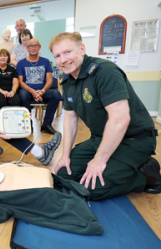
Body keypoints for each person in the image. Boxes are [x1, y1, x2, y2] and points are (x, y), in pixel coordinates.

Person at [49, 32, 161, 200]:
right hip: (100, 138)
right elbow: (71, 119)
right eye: (57, 56)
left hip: (134, 140)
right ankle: (116, 166)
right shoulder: (67, 81)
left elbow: (120, 120)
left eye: (67, 52)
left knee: (91, 189)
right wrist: (65, 156)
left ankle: (147, 174)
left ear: (82, 49)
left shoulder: (104, 71)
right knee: (64, 175)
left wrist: (99, 161)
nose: (63, 60)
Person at [17, 38, 60, 135]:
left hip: (42, 91)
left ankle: (46, 125)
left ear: (39, 47)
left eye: (35, 45)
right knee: (22, 94)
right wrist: (33, 91)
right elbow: (20, 82)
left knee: (56, 94)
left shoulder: (45, 62)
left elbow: (49, 80)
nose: (33, 48)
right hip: (27, 90)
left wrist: (42, 91)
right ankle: (28, 125)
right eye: (31, 46)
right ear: (27, 48)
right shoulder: (21, 63)